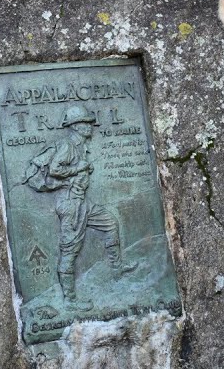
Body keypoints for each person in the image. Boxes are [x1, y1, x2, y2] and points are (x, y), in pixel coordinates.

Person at [44, 106, 137, 311]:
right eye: (86, 123)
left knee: (110, 223)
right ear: (76, 126)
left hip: (82, 201)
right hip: (71, 203)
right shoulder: (68, 145)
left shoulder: (80, 146)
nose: (90, 126)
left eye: (89, 123)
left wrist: (83, 169)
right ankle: (70, 300)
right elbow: (54, 169)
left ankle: (117, 267)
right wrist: (78, 168)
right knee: (70, 249)